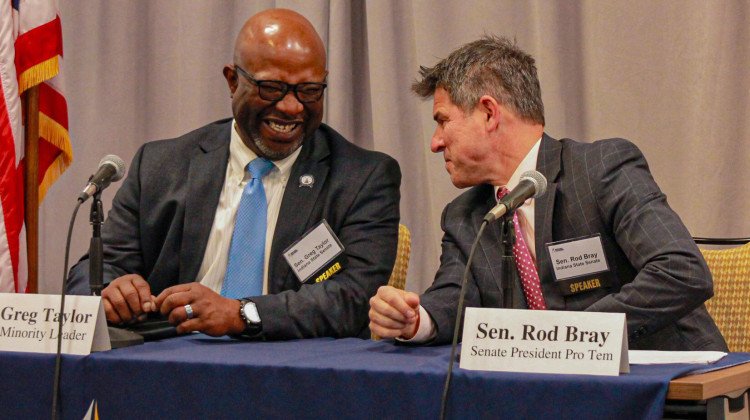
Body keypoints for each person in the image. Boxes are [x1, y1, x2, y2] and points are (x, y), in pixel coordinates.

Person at [368, 35, 727, 351]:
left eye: (443, 121)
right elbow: (453, 298)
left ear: (489, 113)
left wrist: (570, 336)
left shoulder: (601, 170)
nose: (435, 143)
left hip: (668, 387)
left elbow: (681, 271)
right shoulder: (466, 216)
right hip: (553, 396)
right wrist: (416, 320)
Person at [68, 8, 401, 340]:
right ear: (232, 80)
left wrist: (243, 313)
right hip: (168, 361)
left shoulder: (362, 178)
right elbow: (91, 272)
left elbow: (355, 297)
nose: (291, 106)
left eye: (310, 90)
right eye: (272, 88)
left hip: (292, 366)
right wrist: (112, 291)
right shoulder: (160, 166)